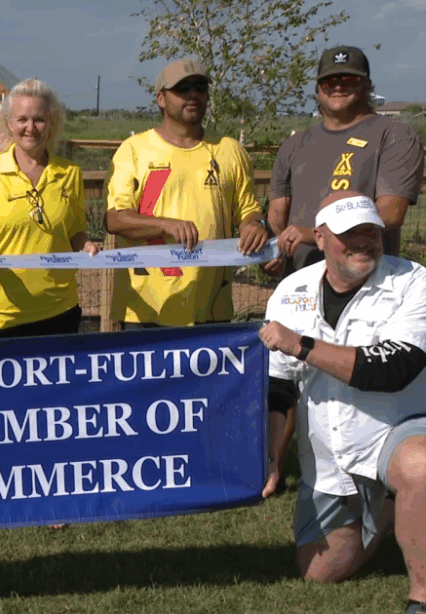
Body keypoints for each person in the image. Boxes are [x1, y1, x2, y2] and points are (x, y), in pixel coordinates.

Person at [260, 191, 426, 614]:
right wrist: (273, 457)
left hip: (399, 428)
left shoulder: (413, 282)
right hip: (329, 454)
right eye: (349, 234)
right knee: (320, 571)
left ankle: (420, 598)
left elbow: (394, 368)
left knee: (418, 466)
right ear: (319, 236)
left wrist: (302, 345)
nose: (363, 242)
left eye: (370, 232)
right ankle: (391, 510)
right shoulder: (290, 290)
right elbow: (278, 387)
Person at [105, 58, 270, 328]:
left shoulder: (230, 150)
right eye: (182, 89)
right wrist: (165, 225)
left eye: (200, 87)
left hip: (212, 309)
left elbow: (247, 210)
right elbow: (115, 220)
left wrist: (255, 225)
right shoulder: (133, 150)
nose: (193, 95)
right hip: (147, 311)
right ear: (161, 98)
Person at [0, 79, 100, 339]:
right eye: (22, 119)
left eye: (39, 120)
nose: (30, 128)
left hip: (59, 312)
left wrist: (86, 244)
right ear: (9, 124)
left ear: (51, 125)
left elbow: (76, 232)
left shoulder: (70, 174)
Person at [267, 45, 424, 276]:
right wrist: (273, 252)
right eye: (330, 82)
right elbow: (277, 212)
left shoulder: (393, 135)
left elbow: (391, 212)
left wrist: (313, 233)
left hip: (368, 279)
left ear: (368, 85)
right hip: (301, 281)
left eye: (349, 80)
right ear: (318, 89)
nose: (338, 87)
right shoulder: (294, 144)